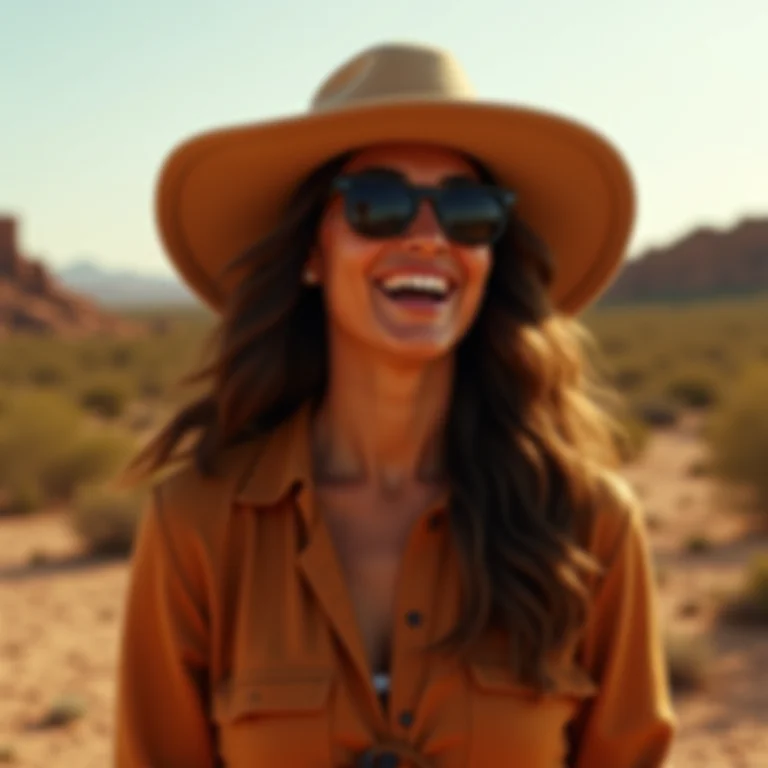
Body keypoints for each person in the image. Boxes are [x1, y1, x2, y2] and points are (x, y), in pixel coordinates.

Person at [114, 42, 675, 767]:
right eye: (378, 205)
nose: (428, 238)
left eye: (468, 213)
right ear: (311, 254)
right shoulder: (198, 525)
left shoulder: (586, 526)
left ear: (490, 254)